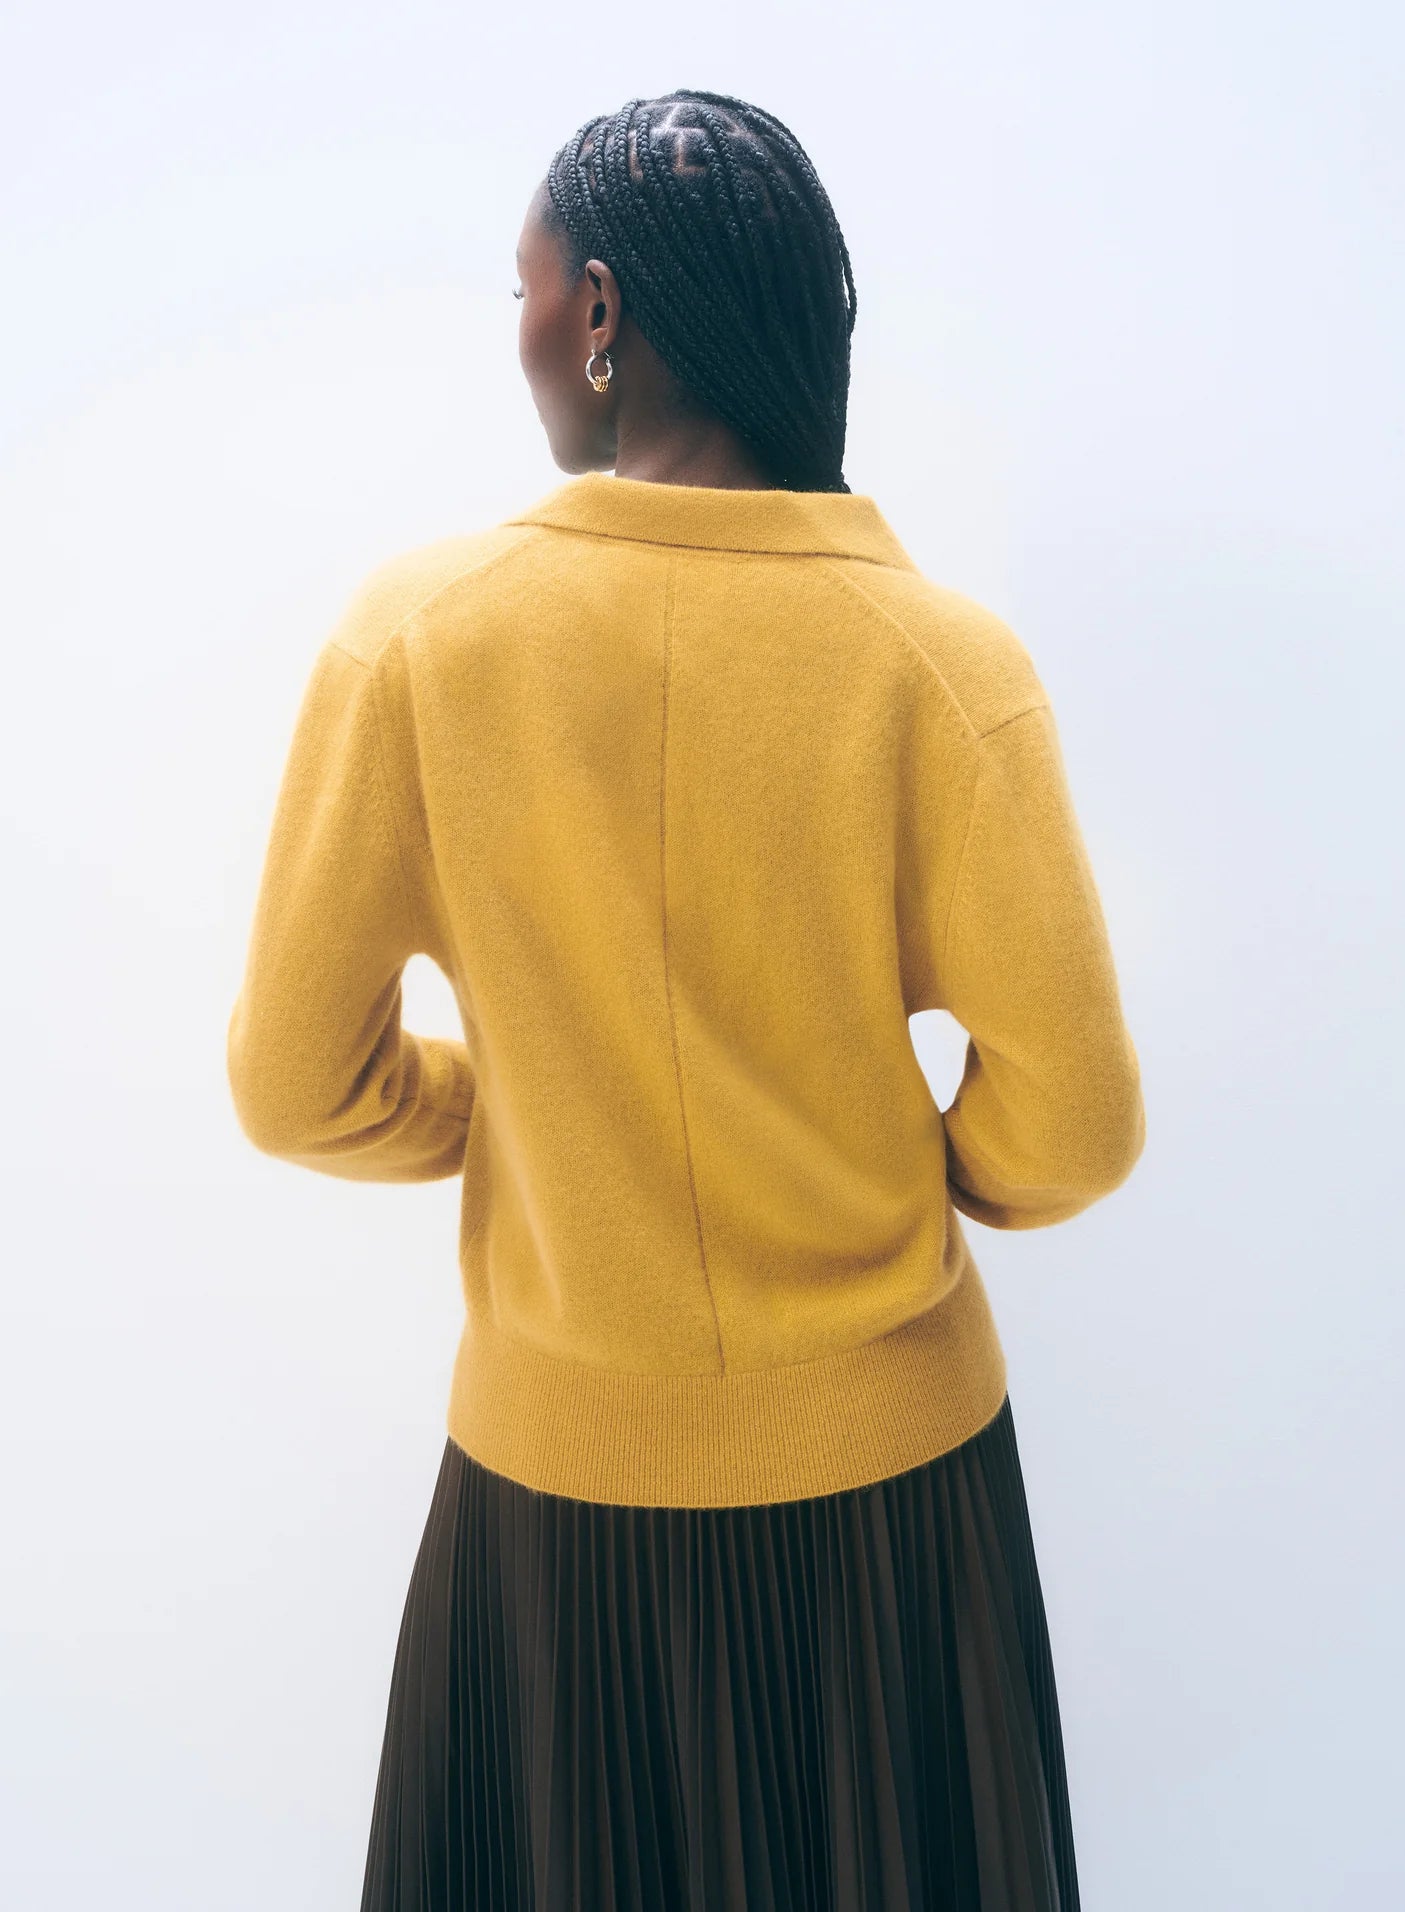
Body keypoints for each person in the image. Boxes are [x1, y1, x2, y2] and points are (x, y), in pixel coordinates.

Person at [226, 88, 1146, 1912]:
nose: (517, 331)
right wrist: (908, 1161)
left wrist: (519, 1110)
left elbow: (293, 1084)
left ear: (599, 312)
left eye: (521, 288)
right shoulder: (943, 667)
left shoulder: (418, 640)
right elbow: (1080, 1125)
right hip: (894, 1493)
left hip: (547, 1493)